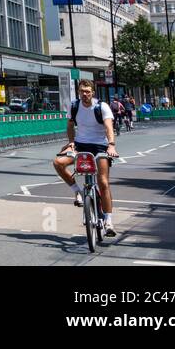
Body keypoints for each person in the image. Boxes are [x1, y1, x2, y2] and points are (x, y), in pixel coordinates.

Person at [53, 78, 119, 238]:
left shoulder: (101, 106)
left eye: (87, 91)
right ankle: (78, 192)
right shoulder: (74, 106)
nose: (85, 94)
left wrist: (111, 145)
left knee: (103, 182)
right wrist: (71, 143)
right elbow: (70, 125)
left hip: (100, 146)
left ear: (92, 93)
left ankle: (108, 221)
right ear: (78, 92)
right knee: (58, 162)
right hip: (80, 145)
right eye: (82, 91)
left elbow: (109, 127)